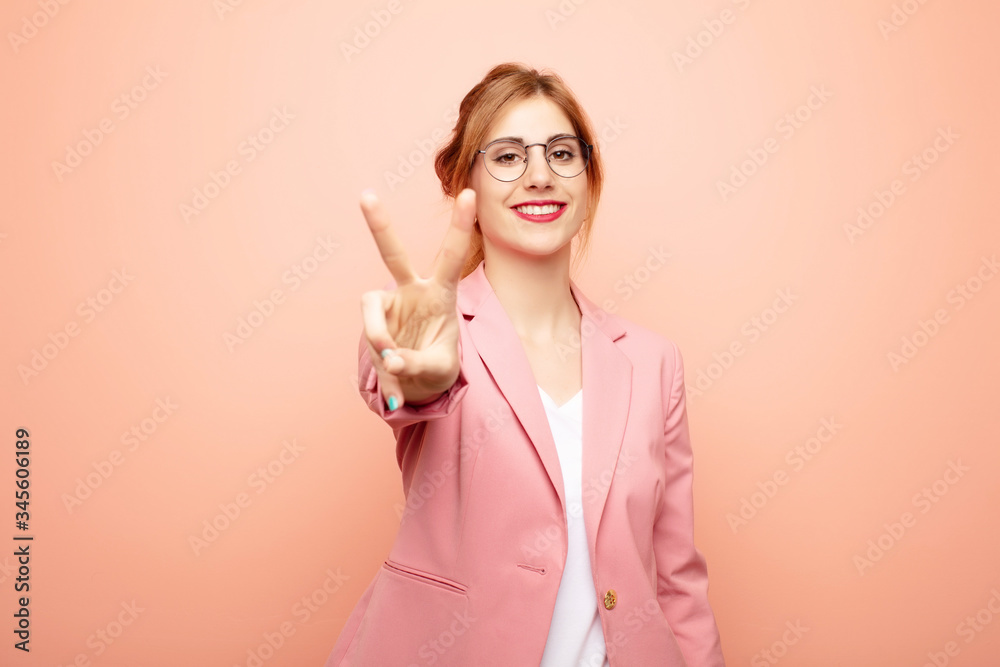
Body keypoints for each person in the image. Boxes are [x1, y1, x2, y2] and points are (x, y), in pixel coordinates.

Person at [324, 62, 725, 666]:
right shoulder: (428, 329)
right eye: (508, 157)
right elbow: (399, 382)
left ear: (589, 182)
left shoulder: (653, 362)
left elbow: (676, 580)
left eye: (562, 153)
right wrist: (422, 378)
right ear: (466, 188)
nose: (540, 175)